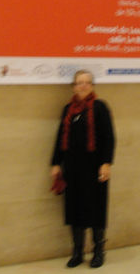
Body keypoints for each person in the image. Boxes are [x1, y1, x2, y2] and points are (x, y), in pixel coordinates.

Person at [51, 70, 115, 268]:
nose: (83, 85)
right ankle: (77, 252)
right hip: (72, 170)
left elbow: (109, 138)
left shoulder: (100, 107)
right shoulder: (67, 109)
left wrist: (106, 163)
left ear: (92, 86)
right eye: (79, 82)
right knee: (75, 211)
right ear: (73, 86)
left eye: (87, 82)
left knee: (96, 210)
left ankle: (98, 252)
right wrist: (55, 163)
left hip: (95, 169)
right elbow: (60, 137)